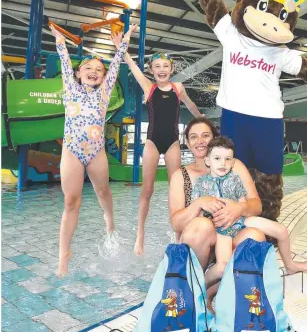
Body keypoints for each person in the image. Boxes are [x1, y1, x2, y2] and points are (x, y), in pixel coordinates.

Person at [51, 23, 134, 277]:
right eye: (88, 68)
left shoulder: (105, 92)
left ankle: (109, 222)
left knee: (103, 190)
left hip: (96, 151)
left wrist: (124, 43)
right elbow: (64, 60)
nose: (94, 72)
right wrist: (60, 41)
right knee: (71, 201)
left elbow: (116, 64)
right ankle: (64, 254)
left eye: (99, 69)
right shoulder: (70, 87)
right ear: (77, 73)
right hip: (72, 151)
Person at [115, 34, 203, 256]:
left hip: (173, 142)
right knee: (147, 190)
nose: (161, 69)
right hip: (153, 142)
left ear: (171, 68)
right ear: (152, 70)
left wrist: (202, 121)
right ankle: (140, 237)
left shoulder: (178, 87)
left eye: (165, 66)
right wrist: (122, 49)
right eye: (157, 66)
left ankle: (178, 236)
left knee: (178, 189)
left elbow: (191, 105)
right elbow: (133, 67)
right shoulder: (149, 87)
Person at [192, 136, 307, 287]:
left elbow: (244, 205)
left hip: (239, 220)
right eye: (217, 158)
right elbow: (197, 214)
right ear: (208, 160)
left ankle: (290, 265)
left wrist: (238, 210)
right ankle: (199, 287)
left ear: (232, 162)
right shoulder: (200, 183)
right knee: (222, 268)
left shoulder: (235, 179)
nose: (223, 163)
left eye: (228, 159)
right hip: (221, 228)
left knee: (281, 230)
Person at [168, 118, 265, 289]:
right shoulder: (180, 176)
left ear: (214, 138)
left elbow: (256, 205)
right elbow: (176, 223)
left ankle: (214, 293)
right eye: (193, 137)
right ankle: (192, 287)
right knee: (202, 225)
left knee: (255, 237)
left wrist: (239, 208)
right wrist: (198, 203)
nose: (200, 141)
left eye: (205, 135)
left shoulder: (234, 166)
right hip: (199, 242)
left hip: (229, 237)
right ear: (188, 144)